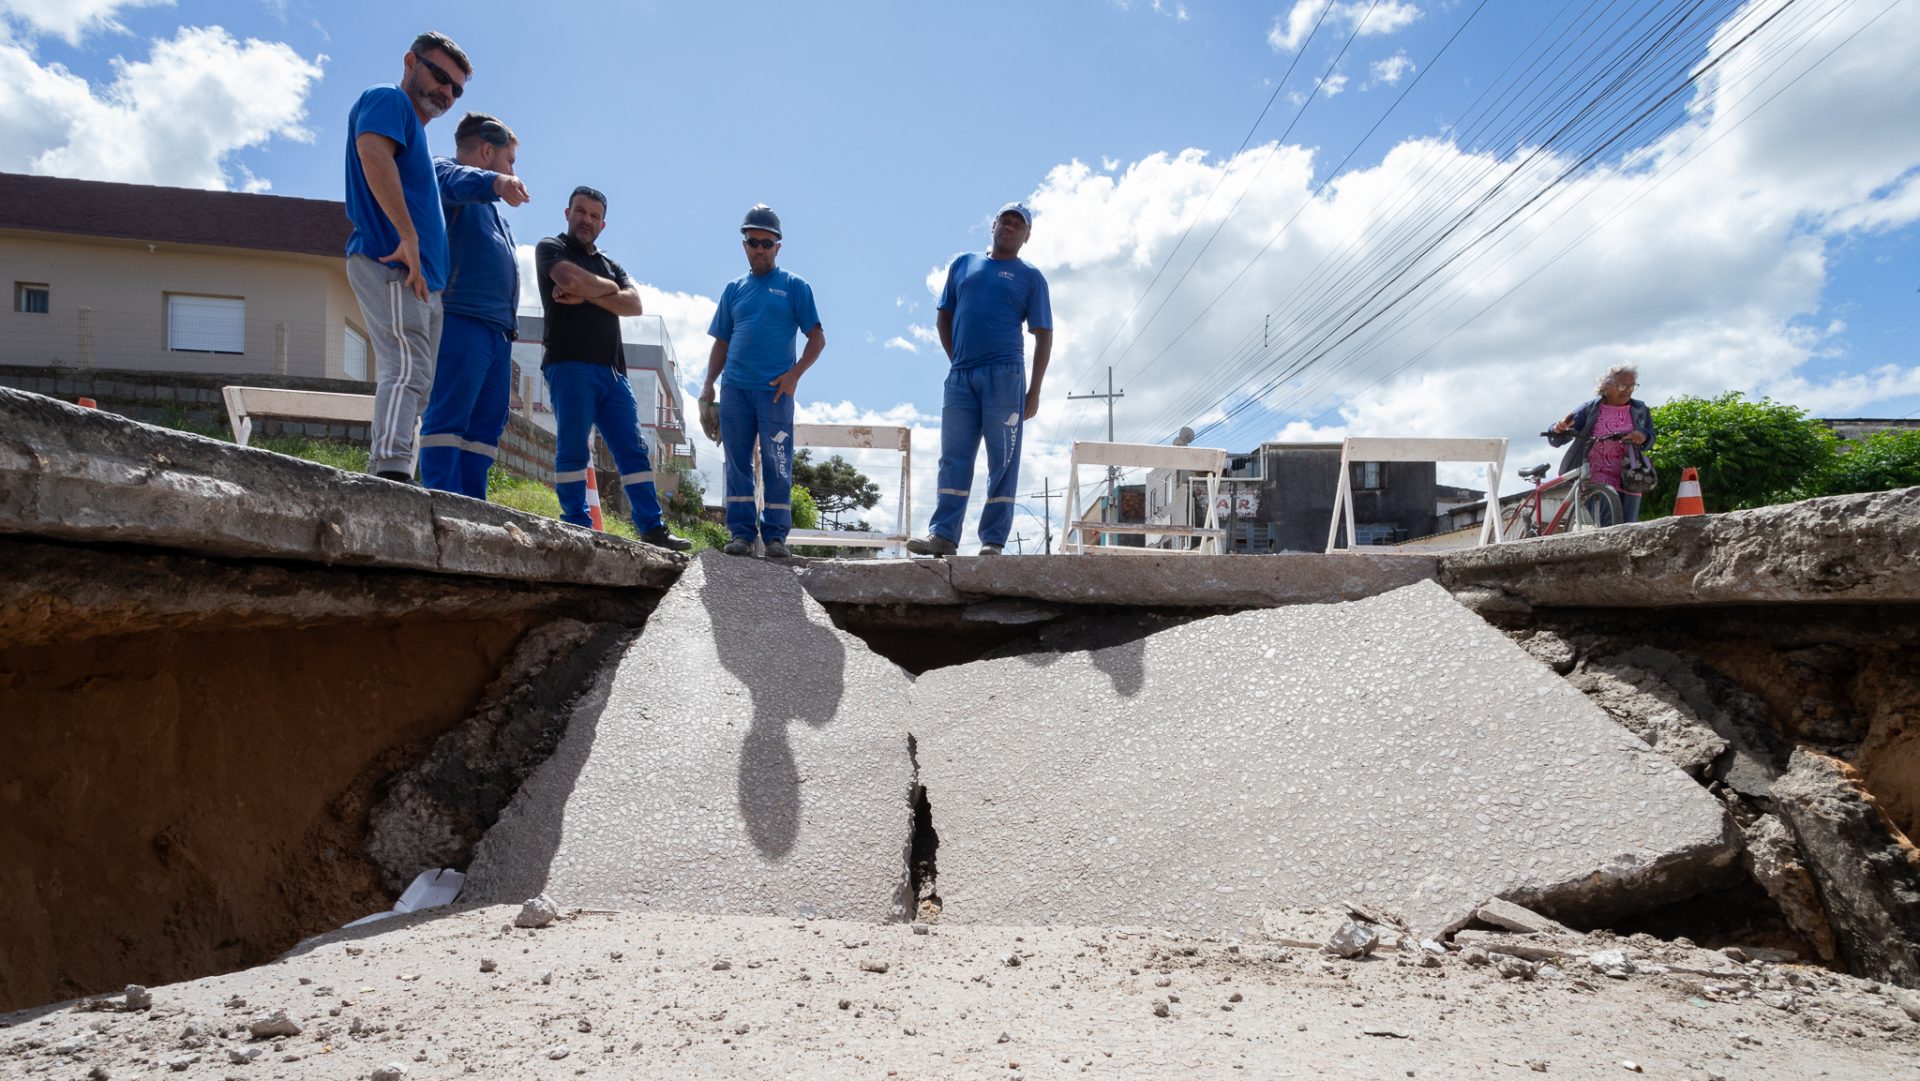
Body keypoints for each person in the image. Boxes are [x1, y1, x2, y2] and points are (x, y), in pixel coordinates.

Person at [533, 186, 691, 551]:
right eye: (580, 211)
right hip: (569, 364)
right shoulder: (550, 248)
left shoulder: (609, 264)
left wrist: (587, 293)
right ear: (567, 212)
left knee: (633, 450)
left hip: (613, 373)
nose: (586, 219)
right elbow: (570, 279)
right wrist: (604, 293)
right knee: (573, 446)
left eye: (594, 215)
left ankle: (652, 528)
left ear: (603, 224)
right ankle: (576, 524)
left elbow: (634, 304)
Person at [344, 30, 470, 483]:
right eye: (440, 76)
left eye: (456, 88)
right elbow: (372, 153)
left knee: (420, 379)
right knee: (407, 366)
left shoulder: (414, 131)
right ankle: (393, 472)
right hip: (394, 259)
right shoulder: (387, 100)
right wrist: (407, 237)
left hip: (421, 276)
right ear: (410, 61)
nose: (447, 92)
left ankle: (389, 465)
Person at [907, 202, 1053, 557]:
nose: (1010, 227)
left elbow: (1044, 333)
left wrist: (1034, 390)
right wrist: (956, 357)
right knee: (953, 456)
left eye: (1019, 224)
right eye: (1006, 220)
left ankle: (993, 540)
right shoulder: (963, 264)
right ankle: (943, 535)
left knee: (1002, 459)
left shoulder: (1030, 277)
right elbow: (944, 316)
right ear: (994, 225)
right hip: (961, 376)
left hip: (1005, 376)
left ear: (1026, 236)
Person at [699, 205, 826, 559]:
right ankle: (741, 533)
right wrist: (708, 386)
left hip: (775, 393)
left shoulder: (795, 287)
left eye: (766, 243)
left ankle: (774, 537)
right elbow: (721, 342)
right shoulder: (734, 289)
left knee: (778, 462)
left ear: (778, 246)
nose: (759, 248)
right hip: (735, 390)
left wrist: (794, 376)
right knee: (736, 462)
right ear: (744, 244)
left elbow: (817, 338)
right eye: (753, 241)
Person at [419, 112, 530, 499]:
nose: (513, 169)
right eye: (510, 160)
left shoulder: (493, 213)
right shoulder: (443, 172)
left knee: (485, 427)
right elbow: (451, 181)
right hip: (460, 319)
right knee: (449, 418)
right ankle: (440, 502)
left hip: (497, 333)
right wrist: (497, 182)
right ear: (487, 150)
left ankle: (472, 505)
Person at [1548, 364, 1655, 522]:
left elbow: (1650, 437)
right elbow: (1559, 434)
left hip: (1631, 474)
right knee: (1608, 525)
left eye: (1632, 386)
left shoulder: (1640, 409)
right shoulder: (1591, 408)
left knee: (1629, 527)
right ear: (1606, 386)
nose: (1628, 390)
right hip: (1596, 475)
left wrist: (1643, 436)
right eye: (1622, 385)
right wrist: (1558, 429)